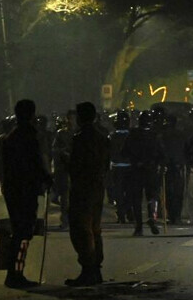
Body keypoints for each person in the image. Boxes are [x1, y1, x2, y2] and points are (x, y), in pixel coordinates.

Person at [0, 99, 52, 289]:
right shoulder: (28, 136)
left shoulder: (9, 137)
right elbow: (34, 163)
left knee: (18, 231)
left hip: (14, 189)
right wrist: (46, 178)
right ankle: (15, 273)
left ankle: (13, 272)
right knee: (23, 233)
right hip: (25, 189)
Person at [66, 102, 111, 286]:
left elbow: (77, 166)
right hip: (97, 187)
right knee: (94, 228)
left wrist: (65, 161)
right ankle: (95, 269)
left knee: (81, 229)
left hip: (82, 188)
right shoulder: (102, 137)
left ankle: (88, 269)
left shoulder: (80, 138)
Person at [123, 111, 164, 236]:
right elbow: (161, 153)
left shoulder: (132, 135)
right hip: (151, 170)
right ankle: (152, 217)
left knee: (137, 199)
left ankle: (139, 226)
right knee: (152, 196)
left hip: (136, 169)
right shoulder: (154, 135)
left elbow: (124, 151)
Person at [108, 110, 130, 224]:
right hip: (128, 168)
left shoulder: (112, 136)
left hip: (117, 167)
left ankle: (122, 213)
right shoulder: (130, 135)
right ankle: (126, 212)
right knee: (128, 191)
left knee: (119, 192)